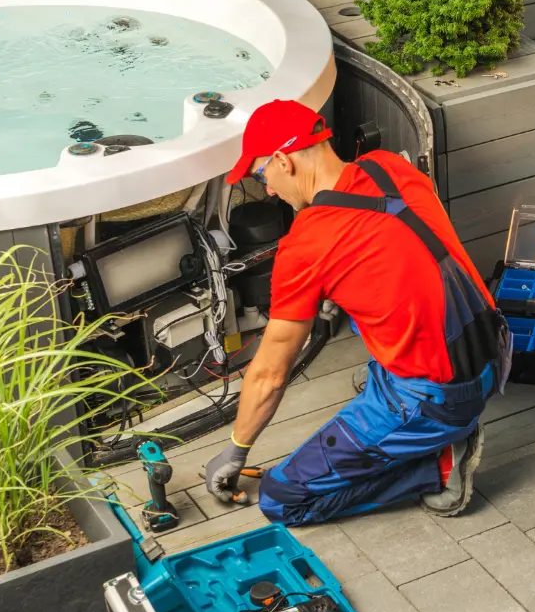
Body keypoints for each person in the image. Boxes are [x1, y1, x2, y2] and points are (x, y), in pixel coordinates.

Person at [201, 99, 511, 526]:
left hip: (437, 398)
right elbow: (404, 251)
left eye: (261, 175)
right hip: (492, 348)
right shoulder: (389, 166)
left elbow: (271, 374)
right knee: (369, 321)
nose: (268, 189)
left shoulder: (308, 244)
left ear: (281, 161)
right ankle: (421, 423)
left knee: (281, 498)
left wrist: (236, 449)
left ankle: (436, 466)